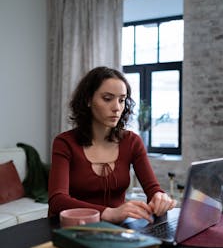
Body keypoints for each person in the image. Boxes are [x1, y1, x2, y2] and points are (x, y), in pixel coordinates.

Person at [48, 66, 177, 224]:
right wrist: (108, 212)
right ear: (88, 99)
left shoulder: (132, 142)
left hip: (115, 232)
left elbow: (153, 189)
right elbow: (57, 200)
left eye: (122, 100)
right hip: (73, 231)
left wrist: (159, 197)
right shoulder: (65, 143)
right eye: (107, 98)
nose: (117, 108)